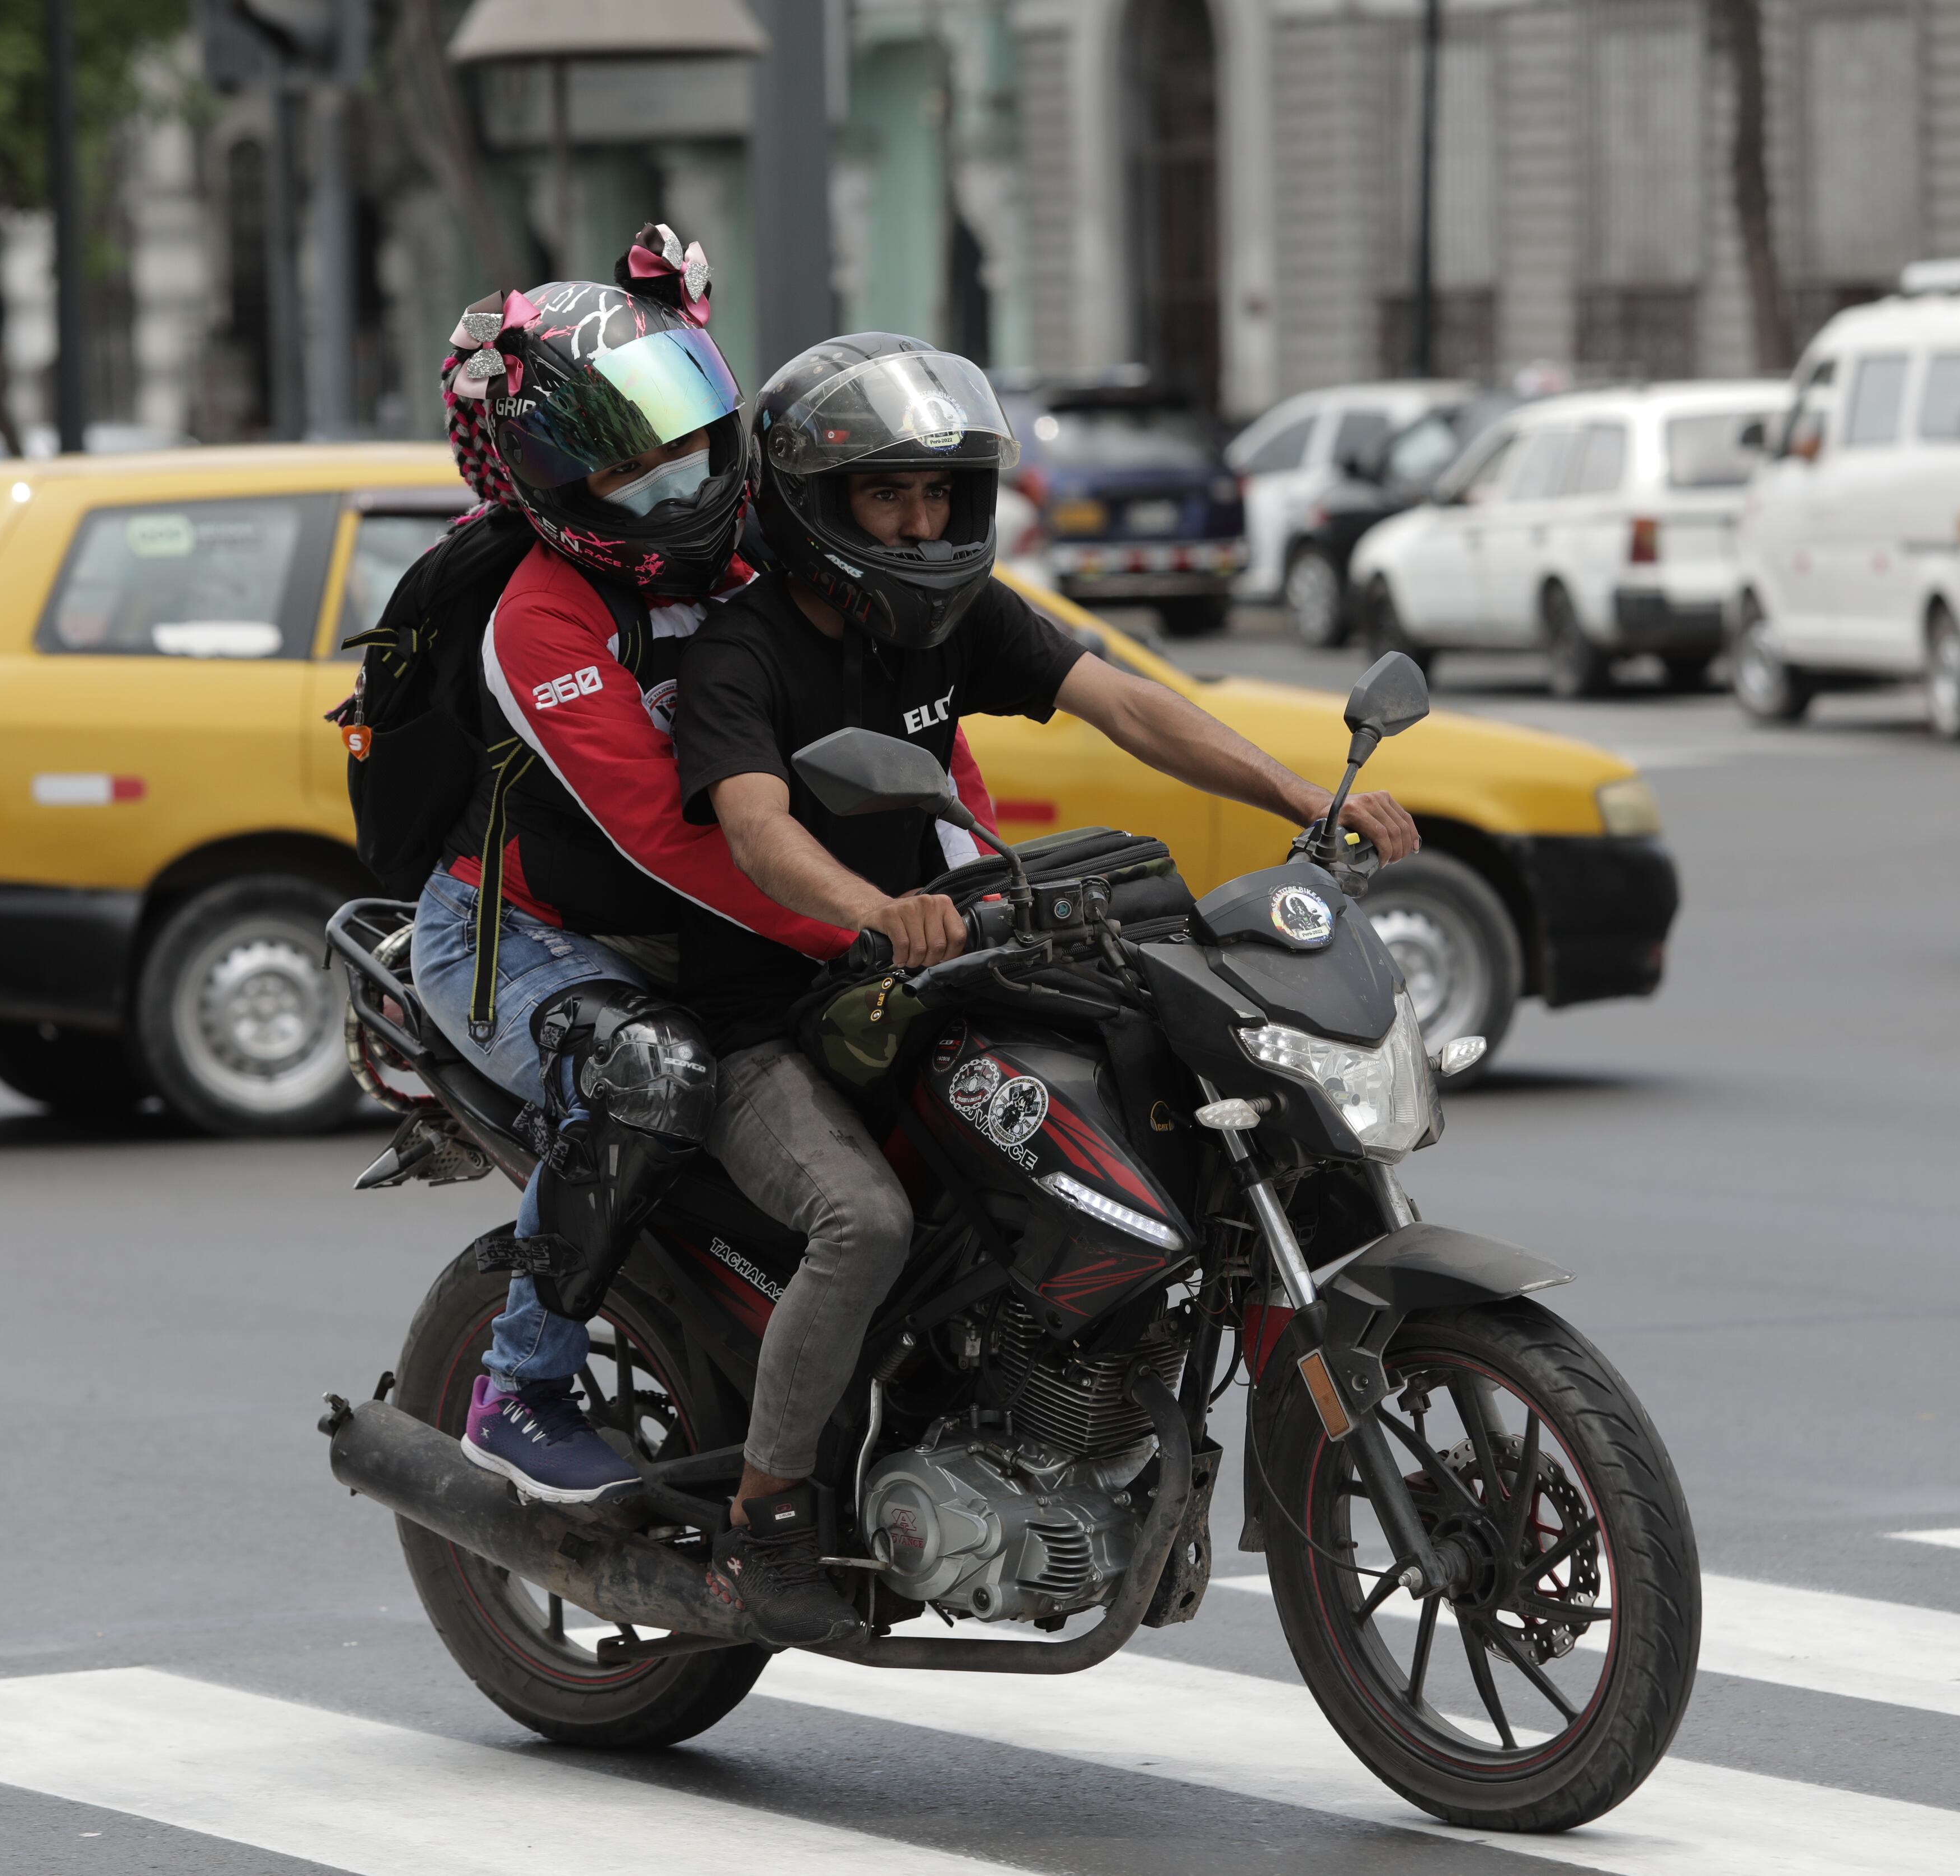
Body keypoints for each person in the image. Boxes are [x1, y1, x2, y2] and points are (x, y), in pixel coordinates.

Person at [672, 334, 1421, 1645]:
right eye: (884, 498)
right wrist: (870, 908)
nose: (917, 523)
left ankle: (1057, 1408)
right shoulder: (744, 655)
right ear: (809, 503)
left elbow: (1123, 703)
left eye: (937, 497)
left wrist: (1298, 791)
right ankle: (766, 1519)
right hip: (774, 1011)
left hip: (925, 983)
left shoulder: (958, 619)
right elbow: (754, 825)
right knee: (861, 1222)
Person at [405, 232, 856, 1511]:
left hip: (703, 929)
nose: (670, 482)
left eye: (684, 439)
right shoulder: (542, 616)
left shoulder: (761, 561)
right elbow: (668, 830)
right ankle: (521, 1384)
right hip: (517, 938)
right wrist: (859, 923)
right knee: (650, 1071)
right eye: (622, 460)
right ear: (549, 480)